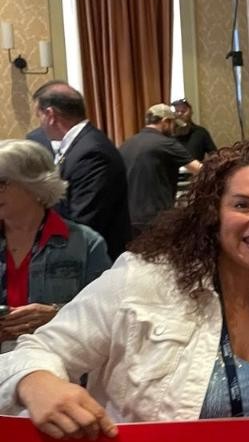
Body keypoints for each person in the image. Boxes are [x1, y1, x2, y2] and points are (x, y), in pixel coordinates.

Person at [0, 138, 249, 438]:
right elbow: (34, 351)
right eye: (242, 205)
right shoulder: (143, 280)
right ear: (213, 213)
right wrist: (36, 382)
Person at [0, 140, 110, 353]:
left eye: (2, 182)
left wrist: (56, 314)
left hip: (58, 360)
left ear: (33, 184)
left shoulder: (85, 243)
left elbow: (106, 312)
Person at [32, 81, 131, 261]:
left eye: (39, 116)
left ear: (50, 115)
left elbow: (84, 221)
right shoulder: (79, 145)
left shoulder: (92, 152)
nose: (40, 125)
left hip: (95, 263)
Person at [119, 104, 202, 237]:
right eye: (173, 124)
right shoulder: (166, 143)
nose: (174, 129)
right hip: (156, 217)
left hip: (128, 218)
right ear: (165, 122)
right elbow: (199, 169)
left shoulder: (126, 144)